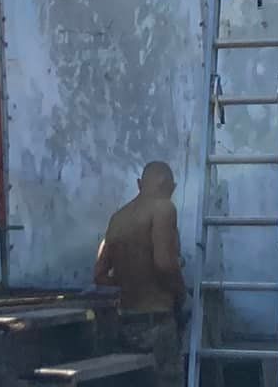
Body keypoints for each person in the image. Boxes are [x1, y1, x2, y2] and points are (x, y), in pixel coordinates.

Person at [93, 159, 186, 387]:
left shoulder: (118, 218)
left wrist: (129, 282)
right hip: (158, 323)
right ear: (170, 186)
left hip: (126, 324)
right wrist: (181, 294)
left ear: (138, 184)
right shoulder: (164, 208)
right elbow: (164, 264)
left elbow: (99, 275)